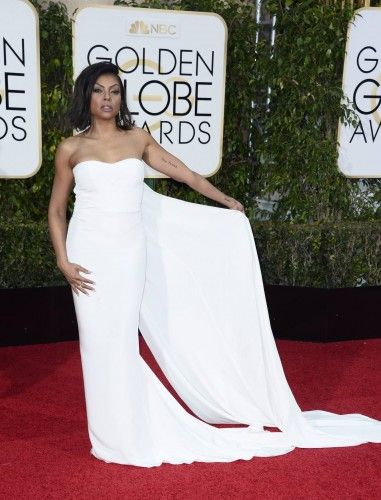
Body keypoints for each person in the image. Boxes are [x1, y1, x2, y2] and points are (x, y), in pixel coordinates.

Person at [48, 62, 380, 467]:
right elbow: (57, 211)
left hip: (129, 253)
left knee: (119, 340)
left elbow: (185, 174)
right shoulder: (71, 148)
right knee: (96, 343)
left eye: (114, 91)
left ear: (122, 97)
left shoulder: (138, 139)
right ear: (86, 95)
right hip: (88, 255)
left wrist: (224, 200)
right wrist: (64, 260)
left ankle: (130, 431)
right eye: (99, 91)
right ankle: (110, 435)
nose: (107, 99)